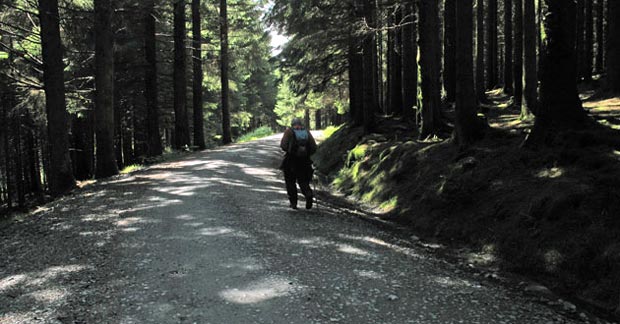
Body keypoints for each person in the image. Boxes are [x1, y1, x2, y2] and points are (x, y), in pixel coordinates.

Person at [280, 118, 318, 209]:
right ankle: (308, 194)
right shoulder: (307, 132)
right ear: (301, 124)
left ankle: (293, 203)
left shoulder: (289, 132)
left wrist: (291, 151)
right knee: (303, 181)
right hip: (305, 162)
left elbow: (283, 145)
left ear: (292, 124)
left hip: (290, 161)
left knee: (290, 182)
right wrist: (306, 154)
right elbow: (313, 147)